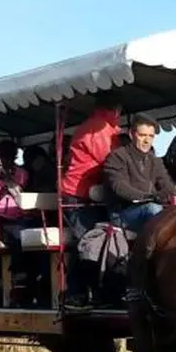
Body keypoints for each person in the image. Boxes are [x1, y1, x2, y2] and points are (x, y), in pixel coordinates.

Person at [59, 92, 123, 305]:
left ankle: (104, 290)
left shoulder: (104, 127)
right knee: (88, 241)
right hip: (77, 194)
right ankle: (75, 293)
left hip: (91, 194)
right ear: (117, 110)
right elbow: (111, 161)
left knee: (106, 237)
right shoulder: (99, 128)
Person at [102, 113, 176, 233]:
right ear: (131, 134)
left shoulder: (155, 160)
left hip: (149, 207)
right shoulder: (117, 156)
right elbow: (119, 186)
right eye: (142, 135)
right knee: (153, 209)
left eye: (151, 136)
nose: (147, 140)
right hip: (122, 214)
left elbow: (166, 183)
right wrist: (149, 197)